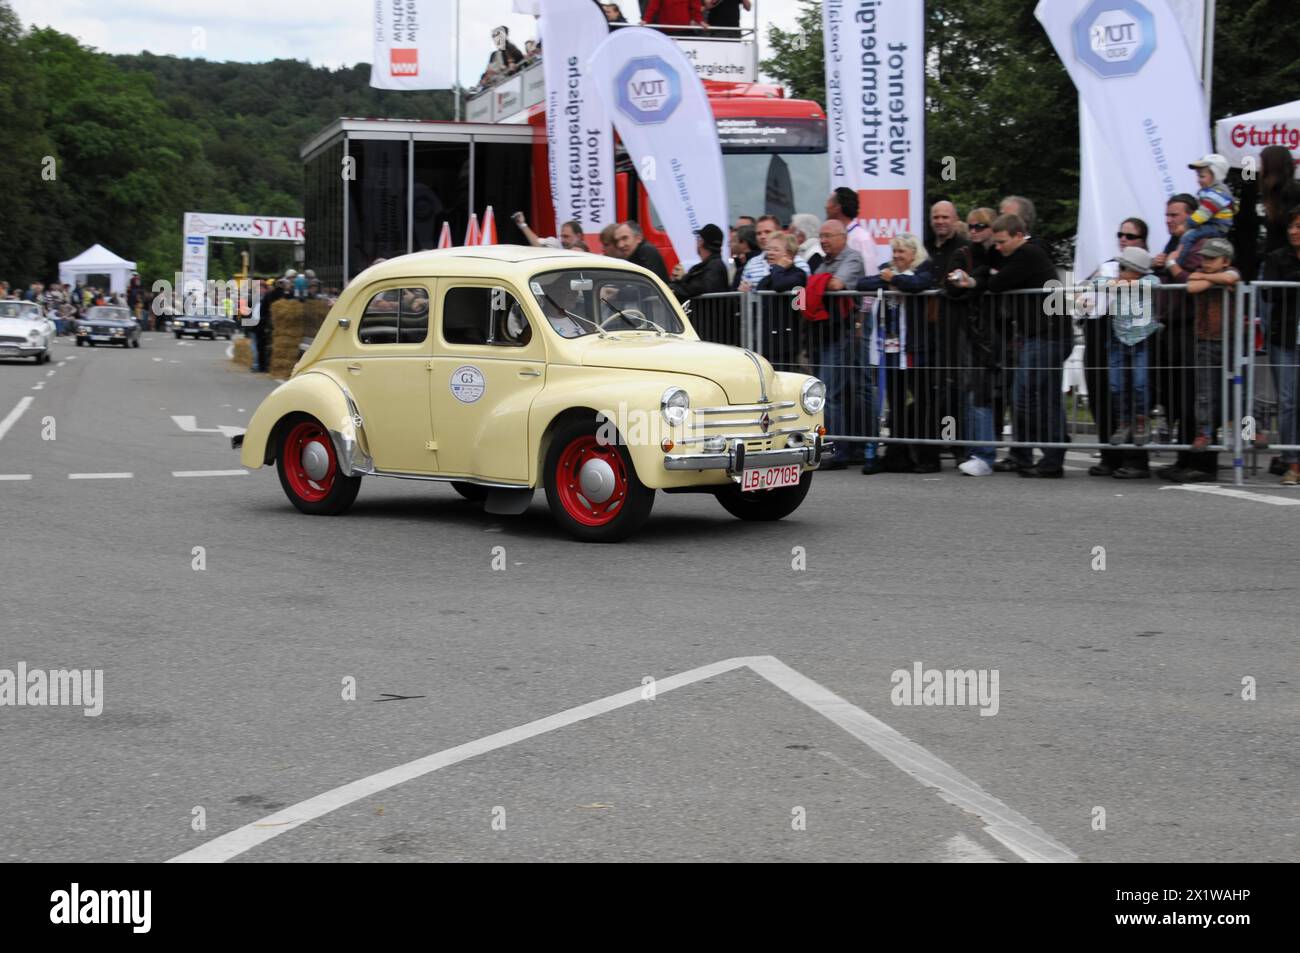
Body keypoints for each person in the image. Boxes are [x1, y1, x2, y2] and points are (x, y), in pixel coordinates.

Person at [953, 213, 1064, 476]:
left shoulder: (1028, 253)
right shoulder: (1017, 254)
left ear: (1018, 236)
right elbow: (989, 272)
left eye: (1002, 242)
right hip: (1038, 335)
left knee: (1035, 398)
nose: (998, 247)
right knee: (1030, 397)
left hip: (1047, 335)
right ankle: (1028, 456)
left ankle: (1050, 459)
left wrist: (985, 277)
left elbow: (996, 282)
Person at [857, 233, 936, 473]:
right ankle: (897, 456)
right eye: (894, 252)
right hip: (890, 352)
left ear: (913, 254)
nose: (897, 256)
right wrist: (891, 280)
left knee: (923, 405)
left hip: (915, 350)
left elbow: (918, 285)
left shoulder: (925, 269)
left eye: (902, 252)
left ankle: (927, 458)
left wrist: (895, 280)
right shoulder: (886, 271)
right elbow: (863, 284)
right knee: (897, 405)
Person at [1087, 246, 1161, 446]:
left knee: (1140, 383)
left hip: (1141, 339)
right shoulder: (1116, 282)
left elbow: (1154, 282)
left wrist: (1131, 282)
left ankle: (1140, 419)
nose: (1120, 271)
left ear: (1136, 270)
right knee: (1116, 384)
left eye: (1124, 268)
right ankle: (1123, 421)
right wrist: (1120, 282)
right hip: (1118, 339)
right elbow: (1096, 283)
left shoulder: (1148, 281)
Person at [809, 219, 867, 469]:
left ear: (843, 236)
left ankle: (838, 449)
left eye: (828, 235)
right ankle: (844, 447)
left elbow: (836, 285)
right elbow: (805, 291)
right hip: (824, 333)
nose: (823, 240)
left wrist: (817, 281)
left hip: (845, 334)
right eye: (820, 236)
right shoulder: (825, 263)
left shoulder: (852, 258)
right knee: (836, 392)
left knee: (830, 393)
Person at [1261, 205, 1300, 485]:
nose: (1293, 231)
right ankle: (1292, 462)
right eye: (1291, 226)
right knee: (1287, 401)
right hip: (1284, 337)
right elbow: (1269, 290)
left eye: (1299, 226)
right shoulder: (1277, 257)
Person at [1171, 154, 1235, 267]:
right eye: (1198, 176)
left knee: (1189, 235)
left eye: (1202, 176)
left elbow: (1203, 214)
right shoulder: (1208, 191)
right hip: (1211, 223)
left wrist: (1185, 226)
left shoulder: (1218, 192)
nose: (1198, 180)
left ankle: (1177, 263)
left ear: (1216, 175)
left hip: (1217, 226)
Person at [826, 187, 880, 278]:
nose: (826, 206)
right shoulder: (828, 238)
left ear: (837, 208)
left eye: (828, 202)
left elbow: (870, 274)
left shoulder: (862, 238)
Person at [667, 224, 729, 302]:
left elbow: (701, 287)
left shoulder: (714, 266)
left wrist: (675, 288)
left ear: (701, 242)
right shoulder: (710, 265)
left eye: (698, 239)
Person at [1259, 146, 1300, 260]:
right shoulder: (1271, 194)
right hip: (1274, 258)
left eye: (1262, 164)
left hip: (1290, 262)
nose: (1260, 169)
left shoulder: (1294, 193)